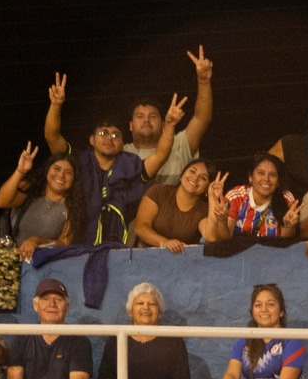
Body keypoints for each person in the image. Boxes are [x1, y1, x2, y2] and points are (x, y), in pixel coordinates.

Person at [42, 74, 178, 243]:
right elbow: (52, 137)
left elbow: (160, 156)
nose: (109, 138)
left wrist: (170, 126)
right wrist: (56, 105)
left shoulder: (130, 164)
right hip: (76, 243)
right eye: (103, 133)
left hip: (119, 247)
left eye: (116, 135)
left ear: (122, 143)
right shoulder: (78, 161)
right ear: (92, 140)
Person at [122, 47, 215, 186]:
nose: (146, 120)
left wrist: (203, 81)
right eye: (140, 116)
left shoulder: (180, 144)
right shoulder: (120, 153)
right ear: (130, 125)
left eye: (153, 116)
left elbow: (202, 118)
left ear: (163, 123)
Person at [0, 144, 88, 258]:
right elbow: (1, 202)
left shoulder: (73, 207)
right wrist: (20, 171)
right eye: (56, 169)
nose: (61, 175)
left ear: (74, 179)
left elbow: (63, 243)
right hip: (11, 260)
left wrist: (37, 241)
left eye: (68, 173)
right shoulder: (30, 192)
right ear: (47, 171)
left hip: (43, 267)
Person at [201, 154, 301, 243]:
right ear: (250, 178)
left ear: (278, 181)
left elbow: (285, 242)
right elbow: (225, 239)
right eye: (261, 173)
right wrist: (222, 221)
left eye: (272, 175)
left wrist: (288, 226)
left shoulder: (286, 198)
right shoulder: (236, 197)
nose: (266, 179)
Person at [132, 158, 214, 252]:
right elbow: (140, 227)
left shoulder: (204, 210)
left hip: (182, 262)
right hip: (144, 257)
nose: (195, 178)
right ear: (182, 174)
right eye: (192, 171)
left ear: (208, 187)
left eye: (203, 178)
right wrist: (164, 242)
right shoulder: (159, 191)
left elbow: (210, 236)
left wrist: (213, 200)